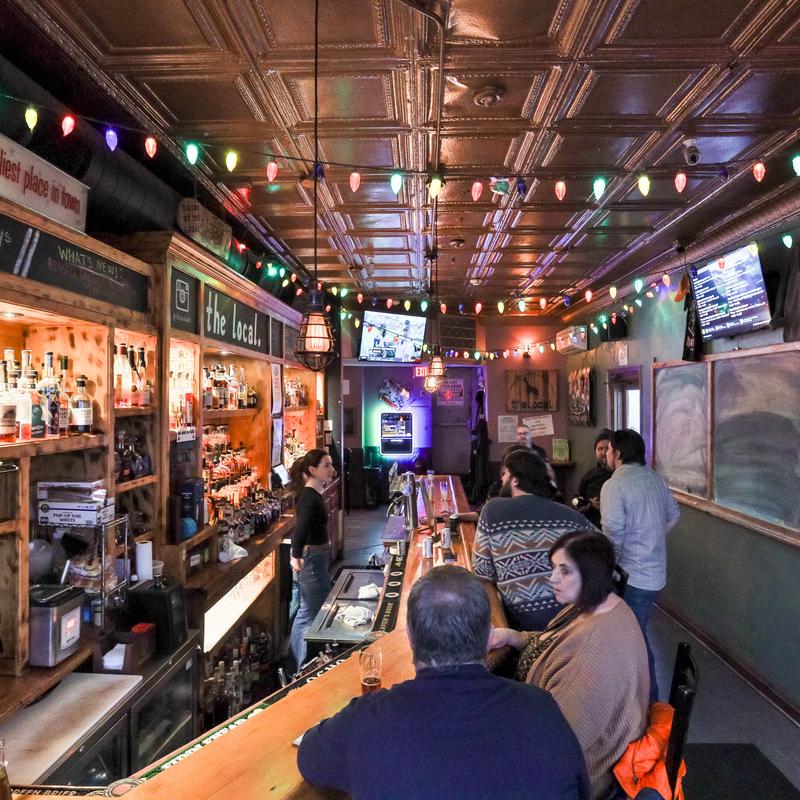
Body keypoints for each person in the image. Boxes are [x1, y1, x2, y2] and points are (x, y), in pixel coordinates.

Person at [298, 565, 590, 800]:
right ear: (489, 636)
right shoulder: (542, 709)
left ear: (410, 637)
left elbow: (309, 758)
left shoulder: (367, 719)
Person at [490, 531, 649, 799]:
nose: (552, 578)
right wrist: (511, 636)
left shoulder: (596, 651)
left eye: (564, 571)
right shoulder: (598, 605)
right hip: (554, 736)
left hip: (582, 776)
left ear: (590, 574)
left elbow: (556, 746)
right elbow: (553, 642)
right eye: (554, 568)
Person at [473, 448, 592, 631]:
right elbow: (607, 549)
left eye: (505, 474)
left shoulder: (493, 509)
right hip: (574, 620)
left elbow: (483, 573)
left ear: (515, 480)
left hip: (523, 625)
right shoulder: (571, 516)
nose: (502, 479)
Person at [600, 429, 680, 700]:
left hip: (632, 575)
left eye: (608, 449)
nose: (606, 454)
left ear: (617, 453)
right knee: (636, 633)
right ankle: (640, 698)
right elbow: (673, 516)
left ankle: (649, 701)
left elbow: (613, 533)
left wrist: (609, 564)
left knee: (633, 638)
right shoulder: (654, 478)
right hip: (655, 572)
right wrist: (652, 539)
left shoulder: (615, 485)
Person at [288, 449, 337, 671]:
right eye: (326, 465)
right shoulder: (309, 496)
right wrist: (296, 555)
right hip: (312, 559)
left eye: (331, 464)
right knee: (309, 612)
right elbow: (300, 528)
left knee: (310, 609)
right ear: (312, 470)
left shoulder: (313, 493)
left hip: (316, 557)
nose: (332, 469)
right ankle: (299, 667)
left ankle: (300, 662)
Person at [573, 429, 613, 527]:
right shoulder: (590, 475)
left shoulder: (620, 475)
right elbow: (580, 497)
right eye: (600, 449)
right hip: (591, 526)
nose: (604, 452)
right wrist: (585, 505)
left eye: (607, 448)